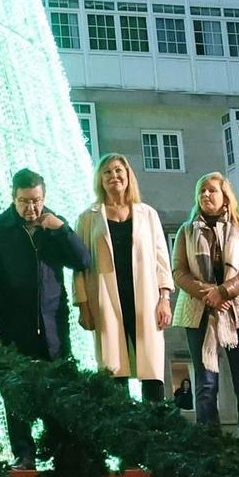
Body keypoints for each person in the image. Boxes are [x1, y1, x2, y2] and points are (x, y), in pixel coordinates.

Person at [0, 167, 91, 469]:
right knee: (15, 390)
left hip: (52, 322)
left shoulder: (53, 224)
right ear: (14, 199)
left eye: (36, 200)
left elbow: (82, 260)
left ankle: (62, 452)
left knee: (58, 387)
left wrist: (60, 228)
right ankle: (24, 453)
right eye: (24, 201)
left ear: (44, 196)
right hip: (12, 323)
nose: (31, 208)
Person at [170, 171, 239, 455]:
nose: (206, 196)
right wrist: (206, 294)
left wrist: (223, 292)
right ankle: (209, 452)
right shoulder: (187, 230)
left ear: (225, 196)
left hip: (238, 311)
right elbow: (179, 272)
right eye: (201, 191)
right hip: (198, 312)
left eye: (211, 190)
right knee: (206, 383)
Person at [74, 154, 174, 402]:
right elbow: (79, 266)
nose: (113, 176)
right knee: (113, 368)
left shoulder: (147, 214)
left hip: (145, 298)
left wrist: (164, 298)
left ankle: (156, 432)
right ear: (100, 179)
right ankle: (121, 433)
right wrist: (83, 305)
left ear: (128, 176)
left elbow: (162, 258)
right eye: (107, 172)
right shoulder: (88, 217)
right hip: (105, 299)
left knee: (151, 369)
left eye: (119, 170)